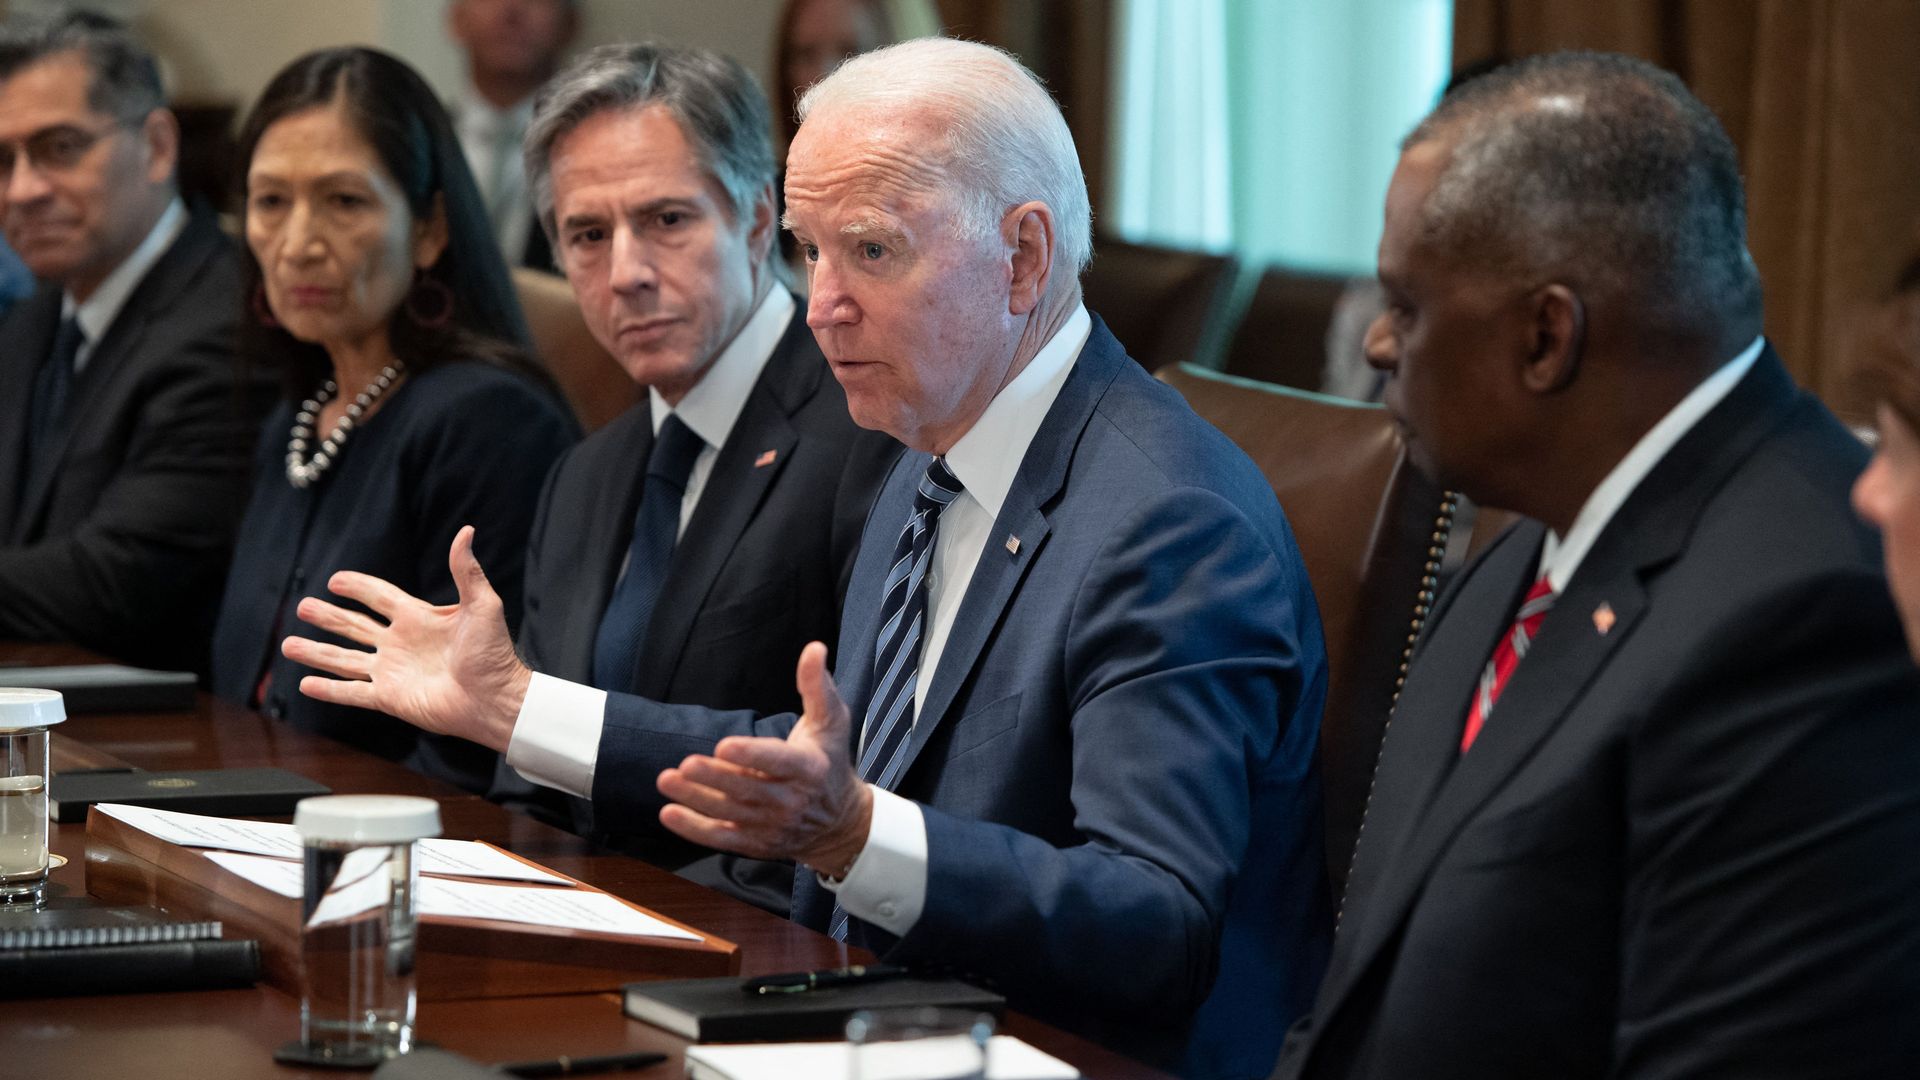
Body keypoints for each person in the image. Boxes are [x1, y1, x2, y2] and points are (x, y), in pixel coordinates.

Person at [286, 37, 1332, 1078]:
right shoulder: (929, 456)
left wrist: (853, 835)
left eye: (872, 251)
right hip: (857, 1019)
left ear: (1023, 256)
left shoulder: (1170, 517)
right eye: (810, 250)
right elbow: (821, 787)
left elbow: (1158, 926)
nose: (822, 303)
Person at [1274, 52, 1920, 1080]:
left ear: (1547, 337)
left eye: (1409, 303)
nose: (1382, 343)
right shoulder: (1531, 532)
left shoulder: (1804, 615)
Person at [490, 42, 898, 910]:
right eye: (587, 236)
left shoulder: (871, 428)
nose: (627, 274)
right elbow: (528, 778)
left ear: (757, 220)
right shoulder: (582, 477)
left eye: (667, 220)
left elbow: (858, 760)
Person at [209, 48, 575, 793]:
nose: (299, 243)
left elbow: (474, 744)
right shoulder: (294, 417)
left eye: (344, 201)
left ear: (432, 228)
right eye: (271, 201)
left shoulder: (486, 419)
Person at [0, 10, 264, 673]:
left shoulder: (230, 326)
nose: (22, 190)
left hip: (173, 735)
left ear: (157, 146)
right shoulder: (36, 318)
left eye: (60, 148)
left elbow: (116, 584)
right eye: (2, 161)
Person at [447, 0, 577, 271]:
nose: (512, 10)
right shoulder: (417, 140)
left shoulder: (595, 150)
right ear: (456, 19)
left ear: (570, 24)